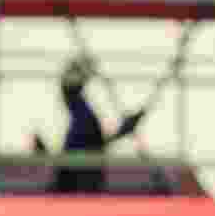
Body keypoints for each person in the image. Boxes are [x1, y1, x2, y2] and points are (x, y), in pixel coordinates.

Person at [47, 56, 144, 194]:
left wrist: (125, 128)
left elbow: (97, 144)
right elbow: (97, 144)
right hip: (81, 183)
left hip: (85, 182)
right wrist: (125, 128)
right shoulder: (82, 116)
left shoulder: (83, 118)